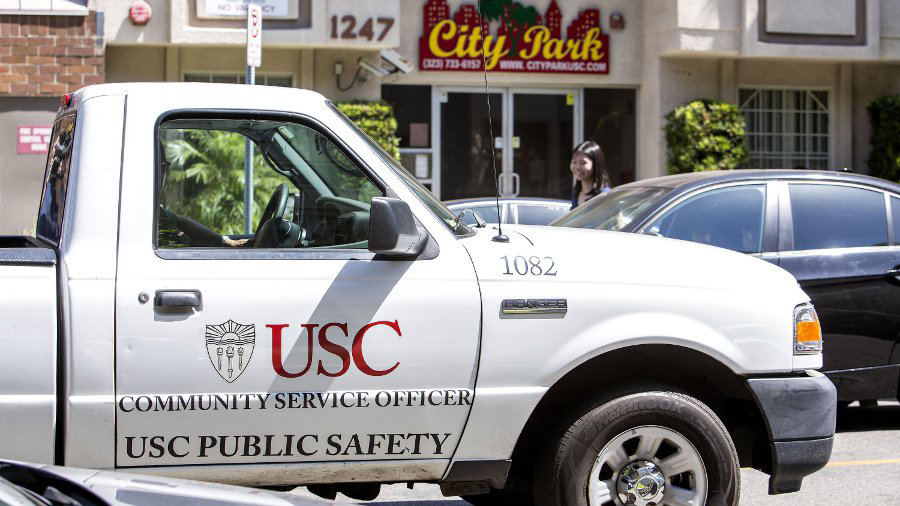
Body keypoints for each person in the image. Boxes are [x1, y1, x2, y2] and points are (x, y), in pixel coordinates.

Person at [569, 140, 612, 209]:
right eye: (574, 162)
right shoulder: (577, 192)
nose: (577, 167)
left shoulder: (604, 195)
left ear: (596, 165)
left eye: (583, 163)